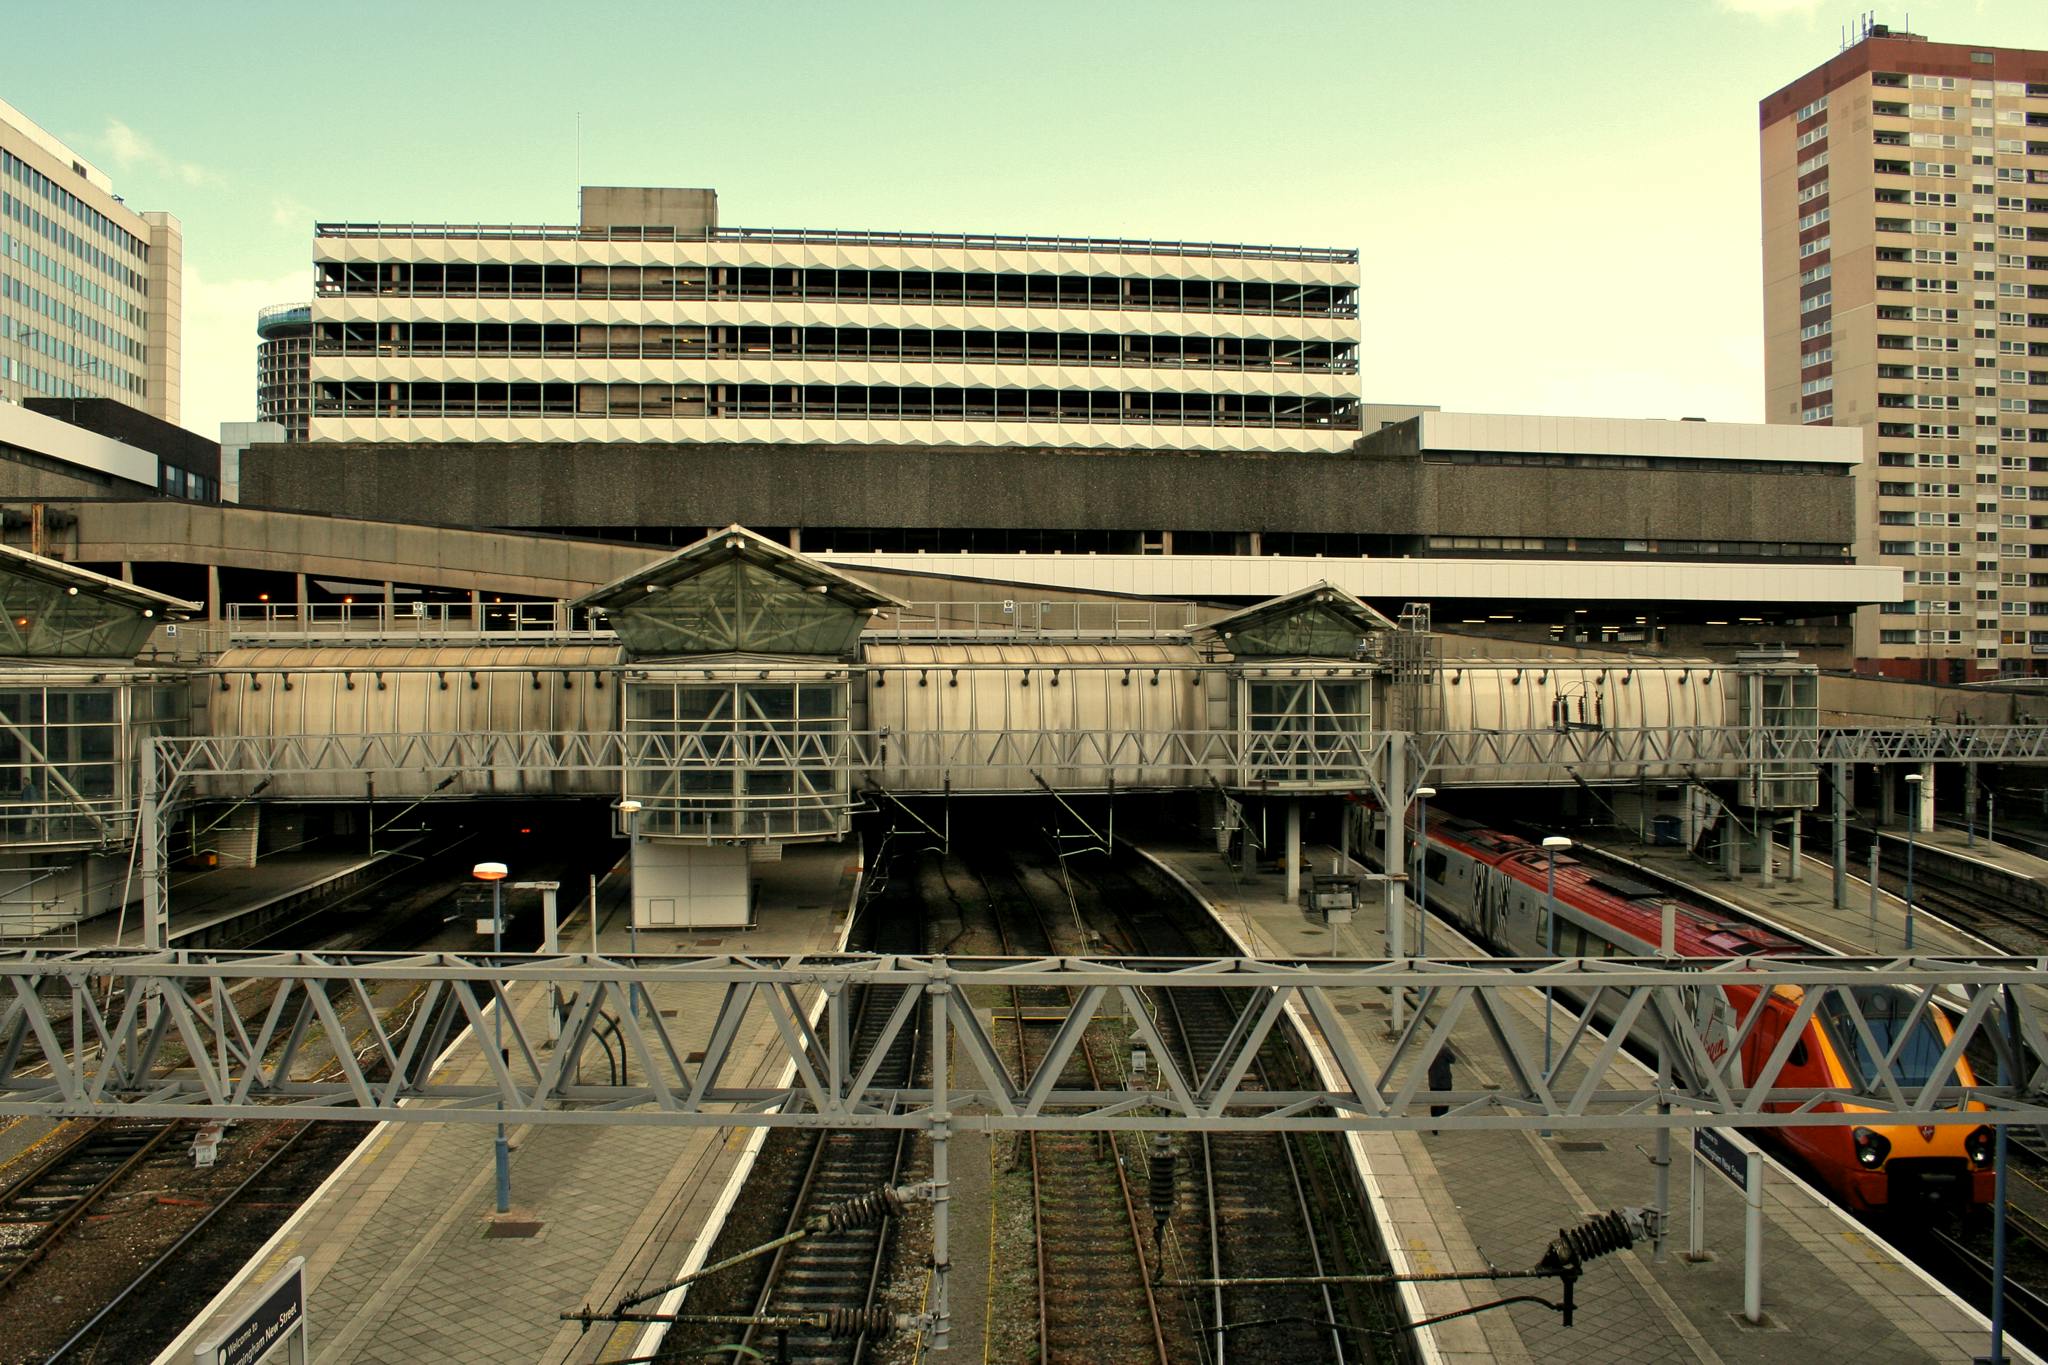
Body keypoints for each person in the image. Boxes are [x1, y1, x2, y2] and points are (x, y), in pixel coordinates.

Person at [1427, 1043, 1457, 1135]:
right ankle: (1439, 1122)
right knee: (1444, 1102)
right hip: (1444, 1080)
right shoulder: (1444, 1048)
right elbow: (1453, 1059)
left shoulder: (1430, 1047)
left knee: (1435, 1103)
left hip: (1433, 1080)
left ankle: (1434, 1122)